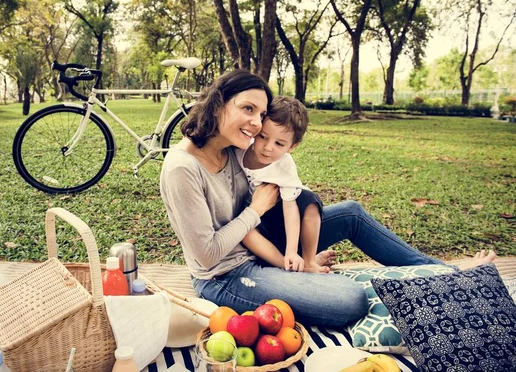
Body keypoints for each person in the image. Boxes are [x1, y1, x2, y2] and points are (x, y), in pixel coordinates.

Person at [159, 69, 496, 327]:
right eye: (247, 108)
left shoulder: (236, 144)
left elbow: (285, 176)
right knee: (350, 300)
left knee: (350, 213)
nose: (255, 123)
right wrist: (259, 213)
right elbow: (204, 257)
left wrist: (299, 247)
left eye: (260, 114)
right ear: (219, 102)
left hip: (259, 241)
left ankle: (453, 275)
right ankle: (301, 271)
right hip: (226, 276)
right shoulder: (182, 169)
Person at [235, 96, 328, 274]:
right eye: (263, 137)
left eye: (279, 143)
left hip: (273, 220)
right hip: (249, 218)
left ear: (292, 146)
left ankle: (308, 261)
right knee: (245, 232)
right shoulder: (241, 147)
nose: (268, 147)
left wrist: (292, 250)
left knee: (310, 201)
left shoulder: (284, 165)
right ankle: (287, 264)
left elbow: (290, 207)